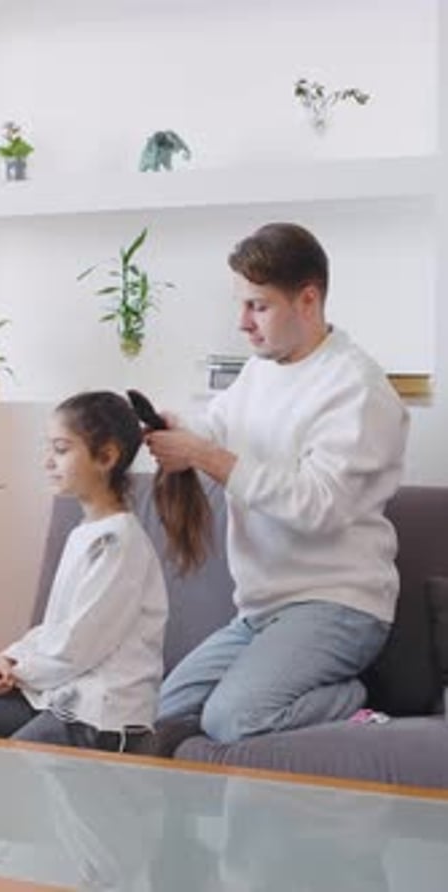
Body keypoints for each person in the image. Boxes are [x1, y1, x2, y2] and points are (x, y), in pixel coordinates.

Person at [147, 222, 409, 745]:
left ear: (308, 300)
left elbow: (319, 506)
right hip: (262, 610)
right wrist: (175, 431)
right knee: (166, 712)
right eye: (240, 304)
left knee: (232, 719)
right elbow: (217, 428)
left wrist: (205, 455)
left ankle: (353, 700)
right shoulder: (262, 368)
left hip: (338, 606)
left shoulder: (357, 388)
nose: (242, 323)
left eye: (259, 306)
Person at [0, 391, 168, 752]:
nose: (48, 461)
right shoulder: (85, 533)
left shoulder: (118, 543)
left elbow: (77, 645)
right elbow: (57, 628)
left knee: (8, 767)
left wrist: (19, 672)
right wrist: (11, 656)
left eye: (61, 449)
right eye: (49, 448)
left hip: (100, 713)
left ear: (107, 457)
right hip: (59, 697)